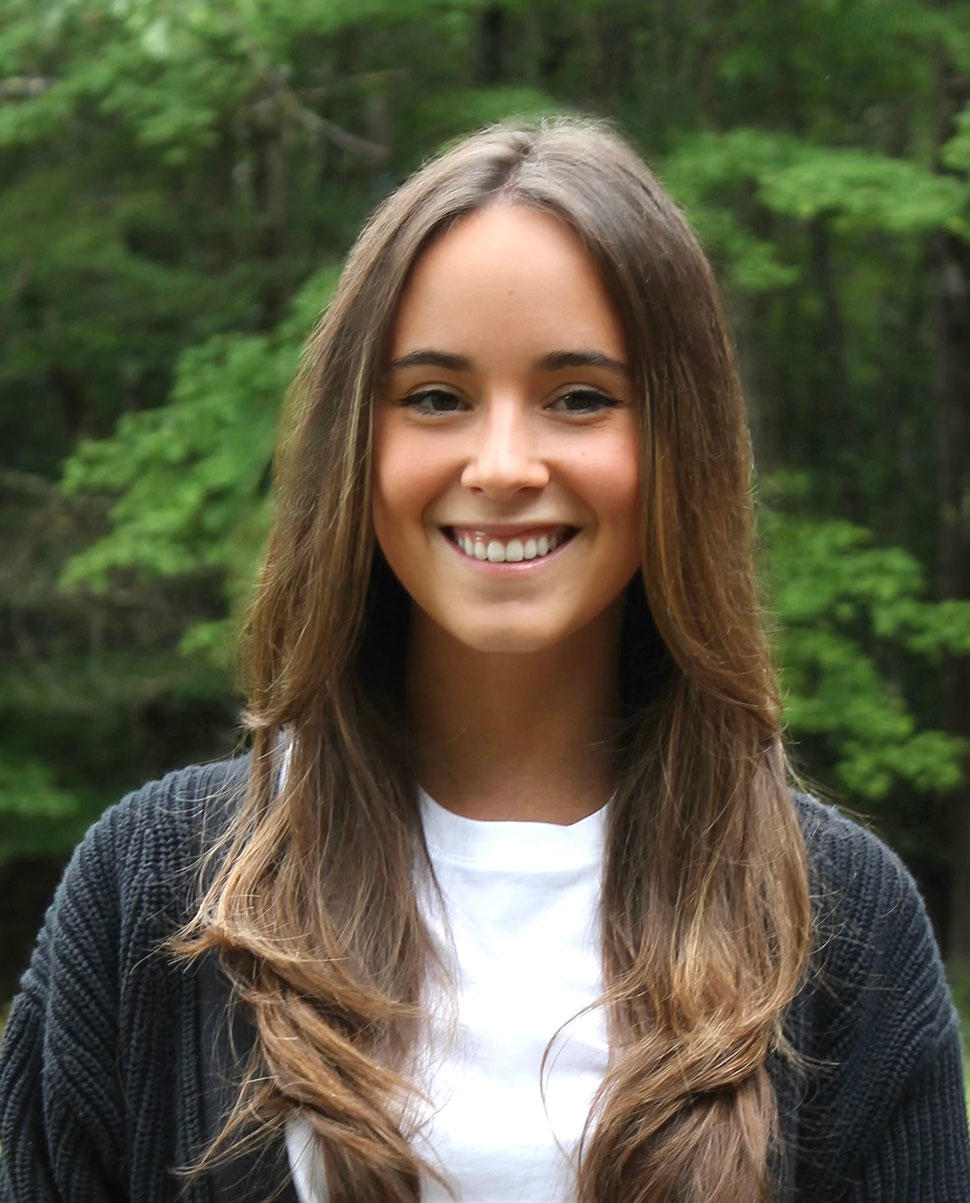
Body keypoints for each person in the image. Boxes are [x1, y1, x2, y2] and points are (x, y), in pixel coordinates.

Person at [1, 118, 968, 1203]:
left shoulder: (843, 924)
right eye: (436, 398)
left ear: (679, 444)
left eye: (580, 398)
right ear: (357, 445)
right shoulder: (152, 891)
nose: (503, 465)